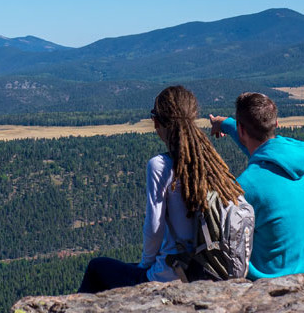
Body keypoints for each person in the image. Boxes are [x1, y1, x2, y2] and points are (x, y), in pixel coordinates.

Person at [77, 86, 245, 293]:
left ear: (159, 122)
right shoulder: (210, 164)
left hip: (171, 274)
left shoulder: (160, 165)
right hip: (207, 270)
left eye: (154, 118)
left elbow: (154, 228)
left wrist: (145, 266)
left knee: (97, 267)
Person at [209, 92, 304, 280]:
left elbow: (231, 247)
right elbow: (262, 149)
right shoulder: (303, 161)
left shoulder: (246, 186)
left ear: (241, 130)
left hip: (263, 285)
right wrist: (225, 123)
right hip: (301, 275)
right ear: (276, 124)